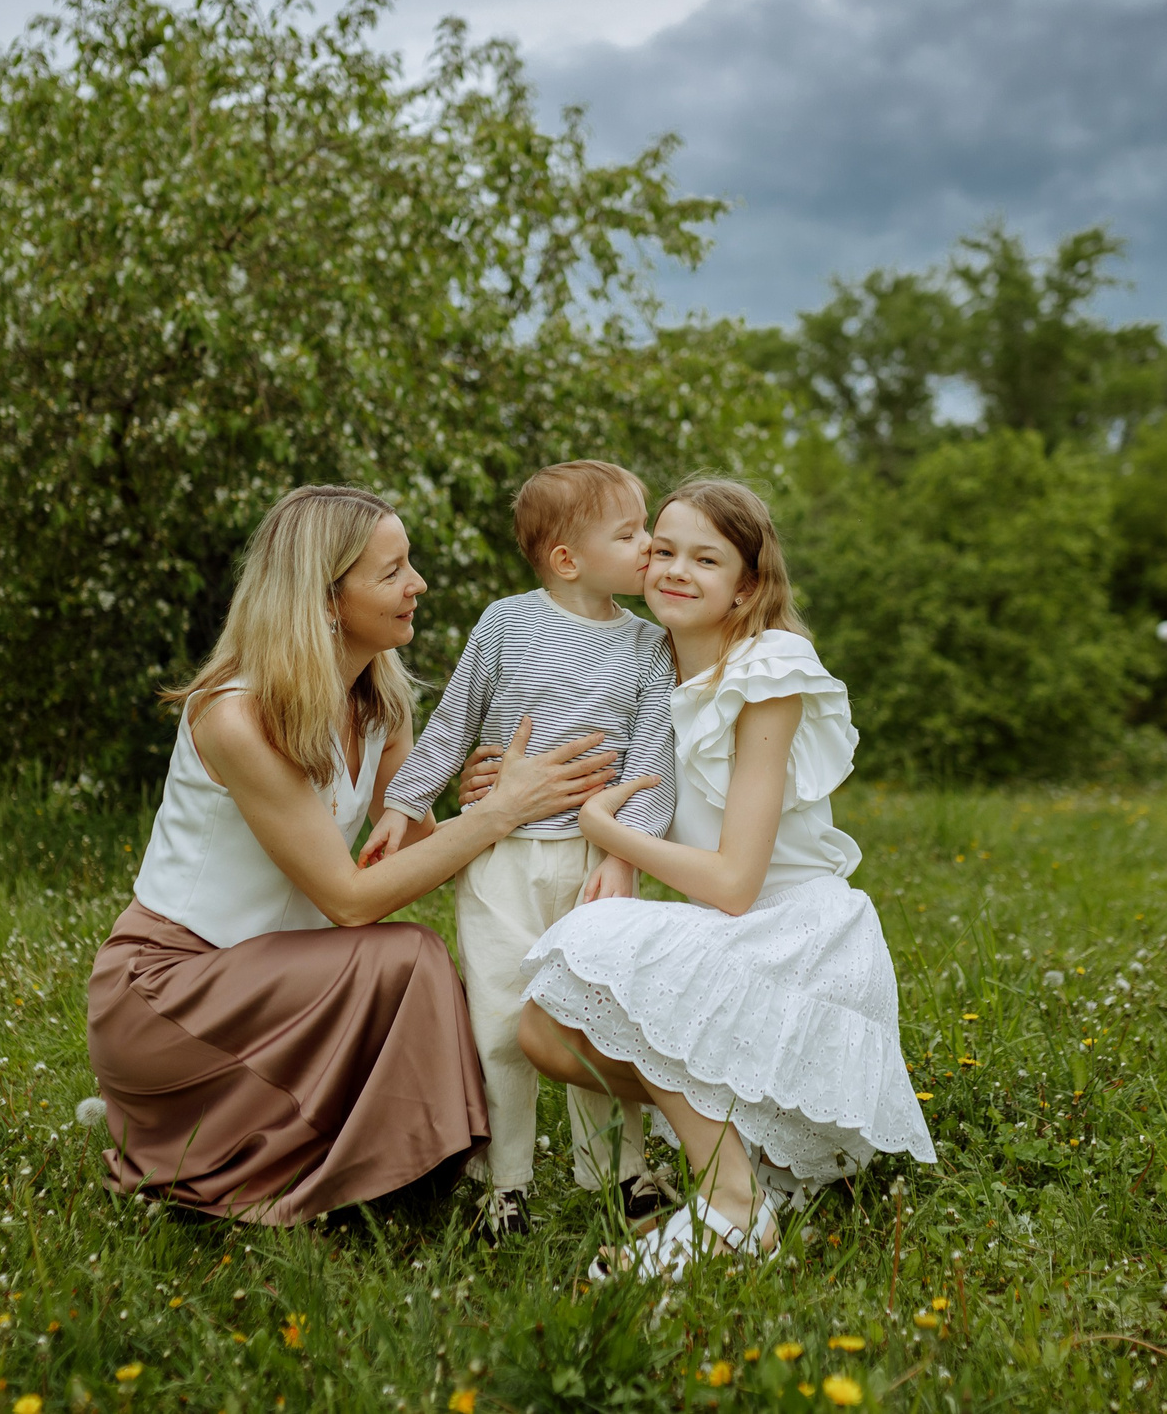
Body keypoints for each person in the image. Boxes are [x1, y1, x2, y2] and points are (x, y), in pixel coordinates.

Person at [83, 485, 617, 1226]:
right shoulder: (236, 716)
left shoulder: (377, 705)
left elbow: (424, 851)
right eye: (393, 571)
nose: (417, 585)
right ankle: (382, 1182)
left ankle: (387, 1175)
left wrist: (494, 801)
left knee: (418, 970)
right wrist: (501, 812)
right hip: (170, 990)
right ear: (327, 601)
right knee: (404, 959)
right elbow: (352, 897)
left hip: (280, 984)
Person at [507, 479, 936, 1275]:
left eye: (706, 558)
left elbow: (737, 881)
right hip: (735, 934)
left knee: (594, 942)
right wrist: (496, 777)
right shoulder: (644, 659)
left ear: (747, 582)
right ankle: (730, 1152)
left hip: (797, 936)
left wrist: (612, 838)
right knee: (540, 1029)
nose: (675, 569)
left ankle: (732, 1203)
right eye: (662, 550)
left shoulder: (769, 669)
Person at [361, 460, 681, 1240]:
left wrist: (625, 856)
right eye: (630, 532)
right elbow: (453, 722)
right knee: (500, 1015)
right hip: (501, 858)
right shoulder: (505, 623)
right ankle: (506, 1183)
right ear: (568, 557)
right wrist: (406, 805)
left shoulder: (650, 644)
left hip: (592, 860)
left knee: (598, 1016)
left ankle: (618, 1172)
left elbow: (652, 755)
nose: (650, 546)